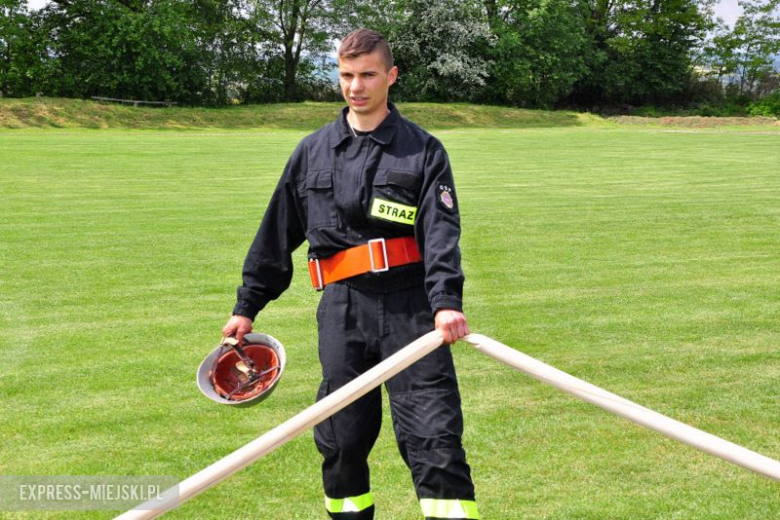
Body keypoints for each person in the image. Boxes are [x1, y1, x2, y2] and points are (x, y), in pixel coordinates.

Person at [222, 28, 478, 520]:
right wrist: (246, 307)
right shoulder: (311, 152)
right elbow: (277, 233)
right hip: (342, 311)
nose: (355, 86)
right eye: (346, 75)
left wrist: (446, 301)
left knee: (434, 440)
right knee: (341, 440)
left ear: (391, 77)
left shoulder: (422, 150)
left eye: (367, 75)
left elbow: (441, 232)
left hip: (412, 310)